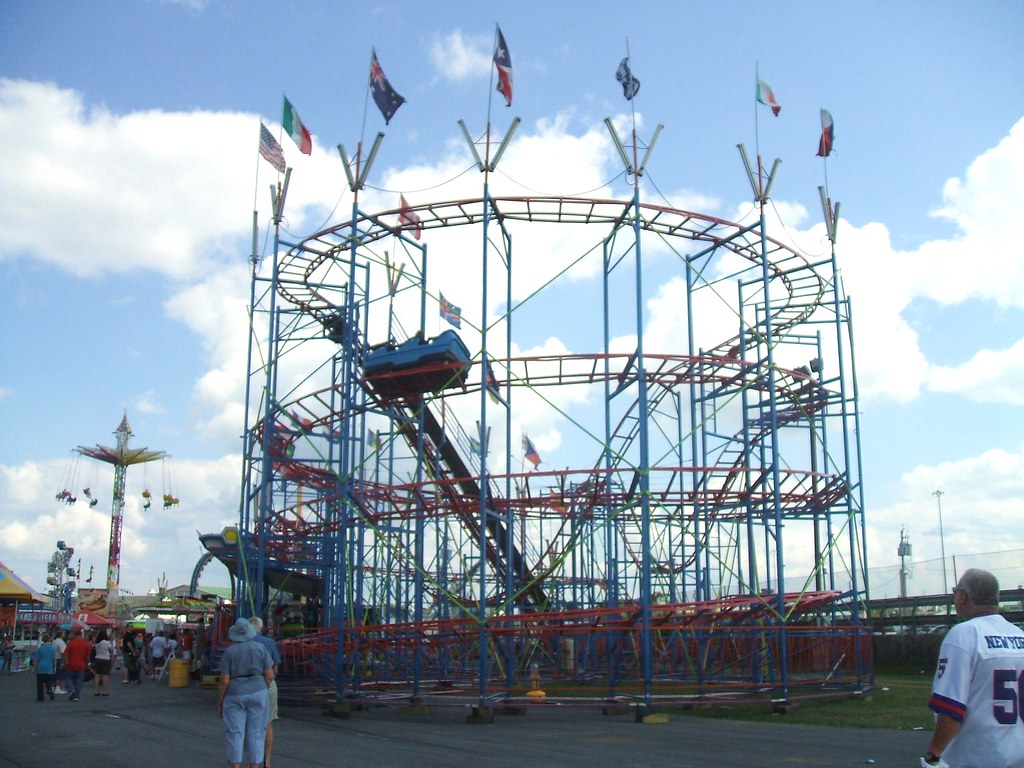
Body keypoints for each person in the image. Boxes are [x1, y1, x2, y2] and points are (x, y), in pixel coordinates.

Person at [923, 568, 1024, 767]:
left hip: (977, 756)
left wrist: (933, 755)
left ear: (962, 597)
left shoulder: (964, 634)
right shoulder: (1019, 635)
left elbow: (951, 706)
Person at [218, 617, 274, 768]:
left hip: (235, 694)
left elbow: (224, 680)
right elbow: (270, 675)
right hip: (259, 691)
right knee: (256, 733)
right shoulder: (261, 649)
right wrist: (263, 688)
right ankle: (254, 766)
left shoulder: (229, 652)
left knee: (235, 733)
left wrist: (220, 702)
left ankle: (235, 765)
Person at [249, 616, 282, 768]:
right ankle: (266, 762)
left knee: (249, 725)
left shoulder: (242, 643)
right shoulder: (269, 643)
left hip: (247, 686)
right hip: (267, 684)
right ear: (261, 629)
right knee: (267, 723)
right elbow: (275, 669)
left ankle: (252, 762)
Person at [62, 628, 92, 702]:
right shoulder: (86, 644)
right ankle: (76, 696)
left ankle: (71, 690)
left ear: (75, 635)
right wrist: (87, 664)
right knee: (79, 681)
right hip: (81, 665)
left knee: (68, 678)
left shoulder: (71, 643)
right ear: (81, 635)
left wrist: (64, 663)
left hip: (71, 664)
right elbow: (87, 657)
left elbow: (65, 655)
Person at [31, 634, 58, 701]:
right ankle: (49, 689)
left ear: (43, 640)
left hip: (41, 667)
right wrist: (54, 667)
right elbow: (54, 659)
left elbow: (36, 659)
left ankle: (40, 697)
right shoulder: (52, 649)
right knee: (48, 681)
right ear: (49, 640)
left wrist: (33, 668)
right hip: (49, 667)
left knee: (40, 683)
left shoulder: (40, 649)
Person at [91, 628, 113, 696]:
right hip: (106, 659)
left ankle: (96, 691)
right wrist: (112, 659)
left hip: (98, 658)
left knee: (97, 675)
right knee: (105, 675)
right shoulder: (107, 643)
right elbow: (111, 651)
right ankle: (105, 691)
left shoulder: (97, 643)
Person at [51, 629, 67, 695]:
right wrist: (64, 661)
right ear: (61, 634)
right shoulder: (61, 642)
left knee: (54, 673)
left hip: (54, 658)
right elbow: (62, 653)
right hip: (59, 659)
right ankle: (58, 688)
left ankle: (53, 687)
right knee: (59, 674)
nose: (65, 635)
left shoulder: (54, 641)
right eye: (64, 633)